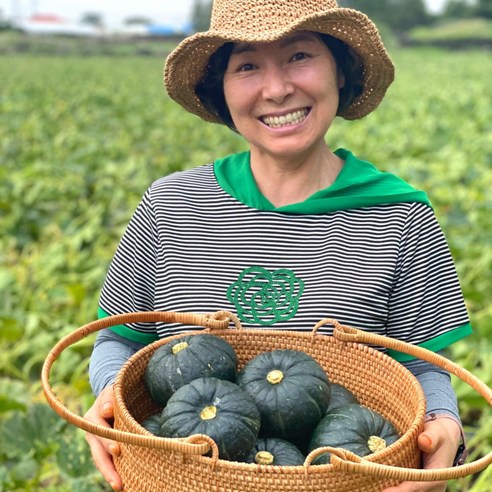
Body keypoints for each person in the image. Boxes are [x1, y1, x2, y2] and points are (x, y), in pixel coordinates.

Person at [84, 0, 472, 490]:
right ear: (221, 91)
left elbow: (421, 366)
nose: (276, 88)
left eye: (299, 56)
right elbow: (118, 338)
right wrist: (107, 396)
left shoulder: (400, 215)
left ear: (340, 70)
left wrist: (445, 422)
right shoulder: (171, 203)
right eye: (246, 65)